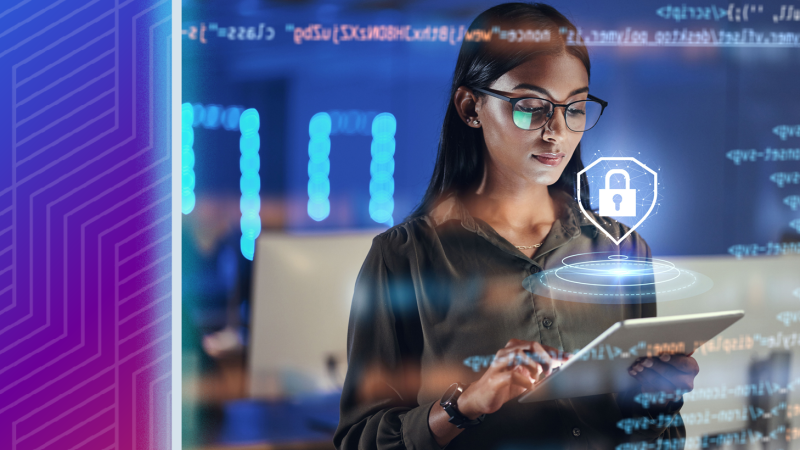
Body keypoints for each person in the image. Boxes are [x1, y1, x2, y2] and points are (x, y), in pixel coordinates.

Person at [334, 3, 699, 449]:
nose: (557, 133)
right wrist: (464, 405)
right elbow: (359, 441)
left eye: (576, 108)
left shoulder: (621, 248)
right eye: (531, 107)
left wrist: (656, 404)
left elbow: (663, 441)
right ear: (471, 107)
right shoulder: (404, 258)